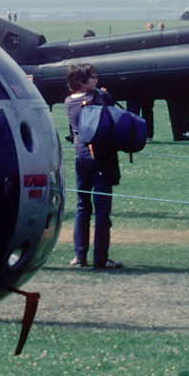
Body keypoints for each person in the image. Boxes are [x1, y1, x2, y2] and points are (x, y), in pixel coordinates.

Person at [65, 62, 122, 271]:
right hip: (101, 157)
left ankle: (80, 255)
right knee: (102, 210)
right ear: (82, 81)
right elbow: (114, 115)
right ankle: (100, 258)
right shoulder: (99, 98)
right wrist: (104, 95)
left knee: (82, 206)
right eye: (92, 77)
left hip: (80, 156)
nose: (96, 80)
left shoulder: (68, 102)